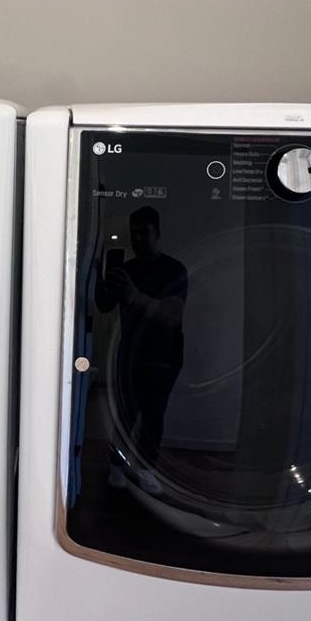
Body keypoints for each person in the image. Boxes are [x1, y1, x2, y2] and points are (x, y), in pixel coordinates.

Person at [95, 206, 187, 494]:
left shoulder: (174, 269)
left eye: (143, 232)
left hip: (164, 356)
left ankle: (147, 470)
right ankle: (117, 467)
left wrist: (135, 296)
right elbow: (104, 305)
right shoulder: (127, 269)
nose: (137, 239)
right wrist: (99, 277)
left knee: (153, 419)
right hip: (130, 354)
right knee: (125, 415)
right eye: (133, 233)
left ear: (157, 233)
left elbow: (173, 314)